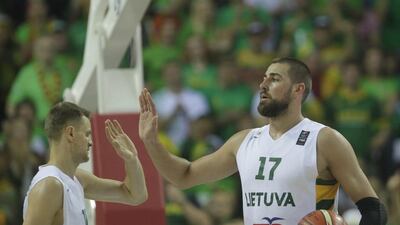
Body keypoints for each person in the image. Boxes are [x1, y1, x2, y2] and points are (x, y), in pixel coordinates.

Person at [138, 57, 387, 225]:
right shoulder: (244, 141)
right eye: (264, 78)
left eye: (275, 79)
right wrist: (151, 142)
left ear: (298, 90)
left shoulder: (324, 139)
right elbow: (184, 175)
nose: (263, 84)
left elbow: (374, 211)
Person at [23, 102, 148, 225]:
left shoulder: (77, 179)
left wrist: (132, 160)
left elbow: (135, 196)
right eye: (87, 135)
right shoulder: (50, 185)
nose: (91, 142)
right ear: (70, 133)